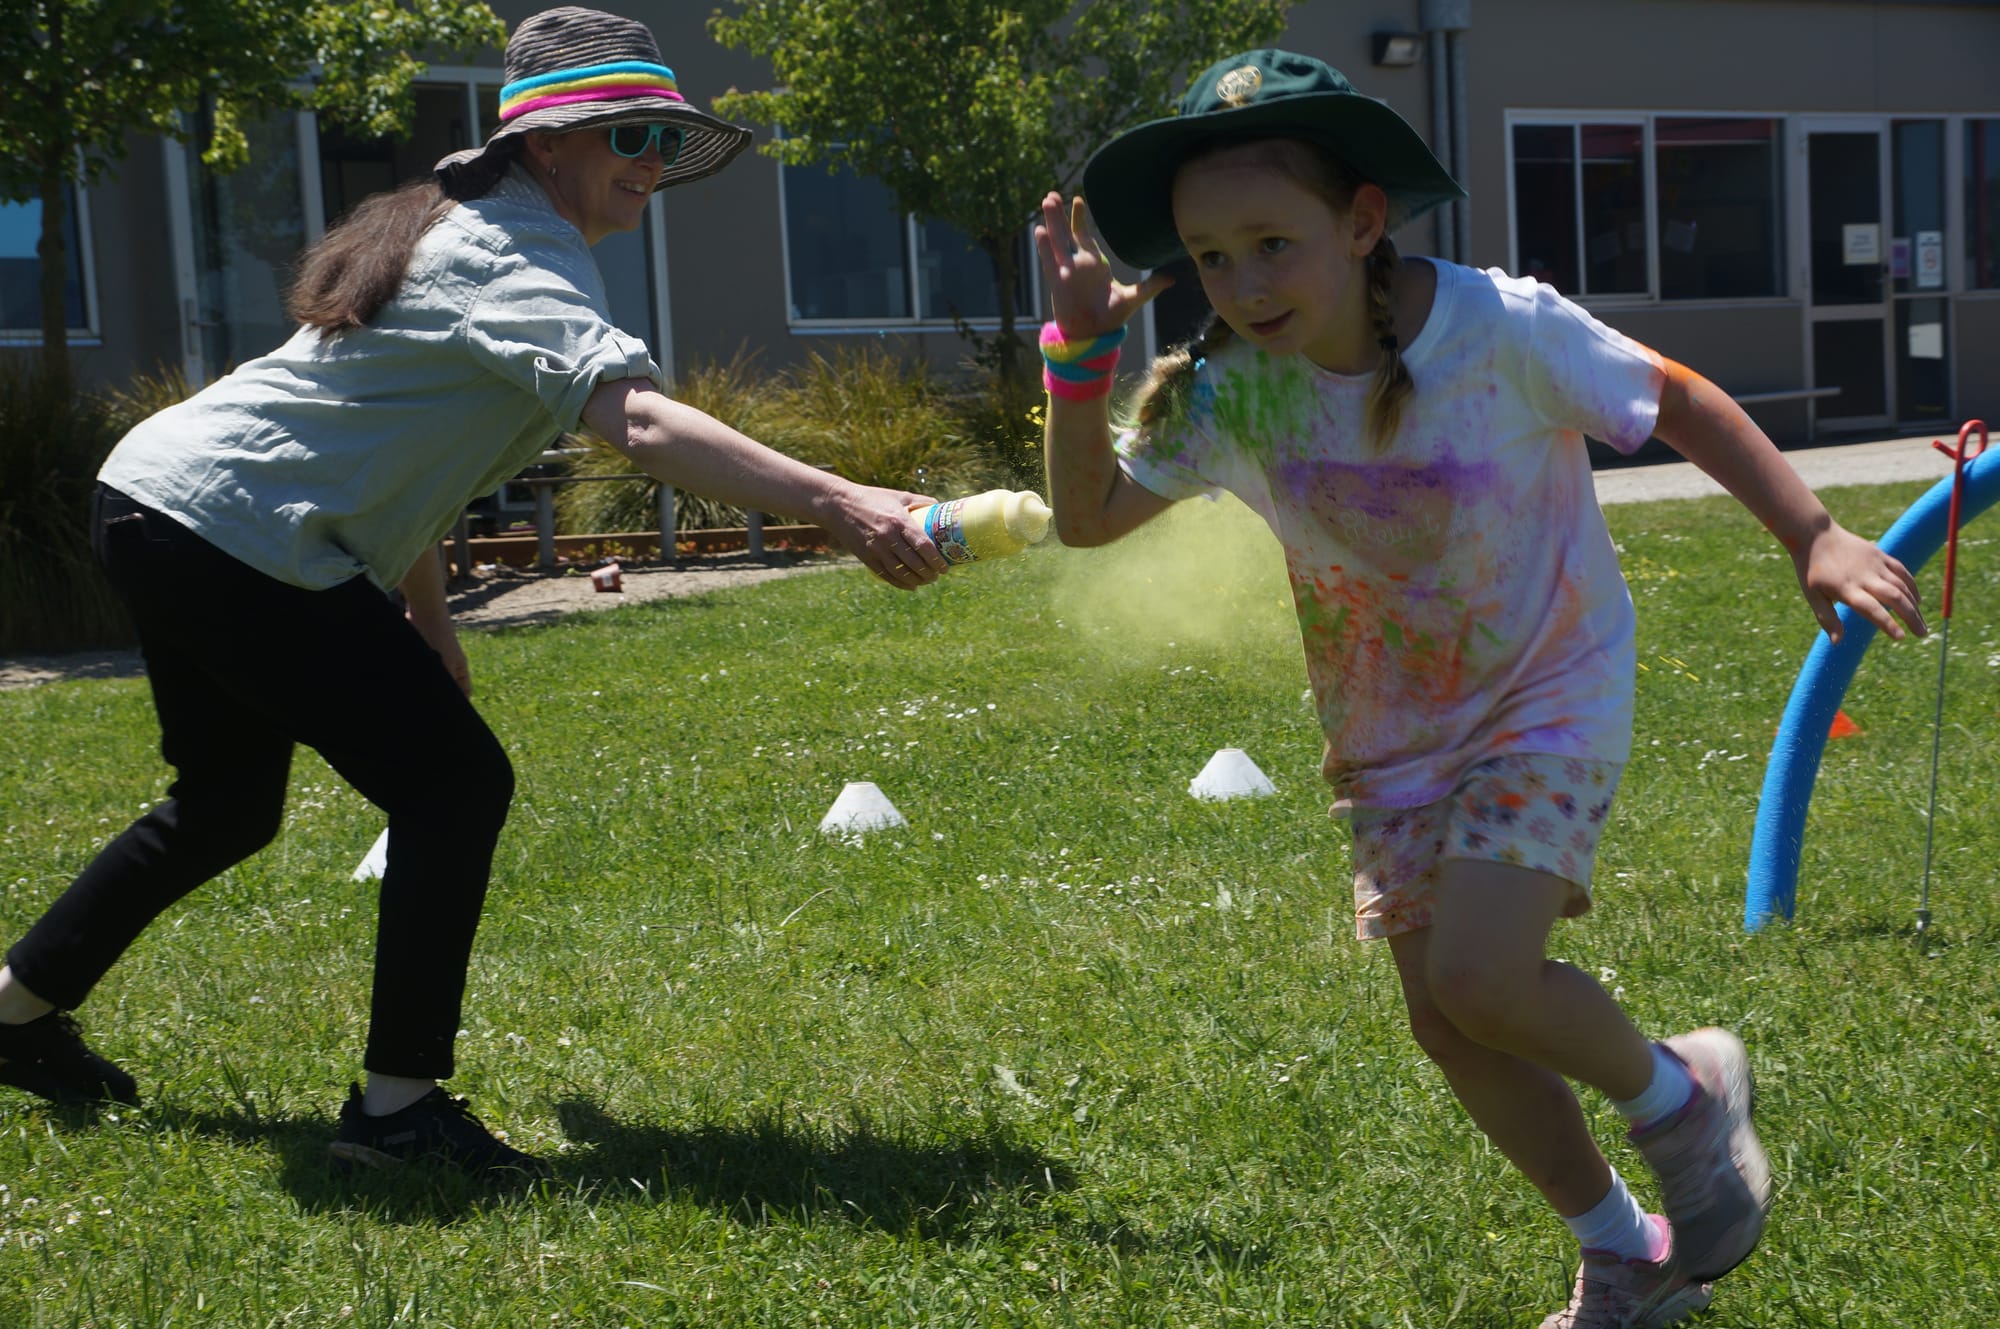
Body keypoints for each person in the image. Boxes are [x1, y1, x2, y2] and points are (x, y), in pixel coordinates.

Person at [1036, 50, 1924, 1327]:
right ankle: (1622, 1249)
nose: (1241, 283)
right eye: (1211, 258)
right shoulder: (1233, 391)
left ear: (1360, 221)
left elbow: (1672, 400)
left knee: (1483, 979)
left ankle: (1683, 1094)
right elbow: (1085, 518)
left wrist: (1810, 534)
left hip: (1543, 694)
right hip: (1386, 734)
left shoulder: (1494, 327)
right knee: (1451, 1024)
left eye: (1271, 244)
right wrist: (1076, 356)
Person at [0, 5, 947, 1172]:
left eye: (664, 141)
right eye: (628, 137)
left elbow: (399, 451)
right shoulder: (507, 254)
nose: (652, 164)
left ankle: (13, 1015)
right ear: (548, 144)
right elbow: (635, 420)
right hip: (229, 528)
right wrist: (841, 499)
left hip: (165, 504)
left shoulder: (473, 230)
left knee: (229, 806)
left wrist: (428, 616)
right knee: (453, 783)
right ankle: (398, 1115)